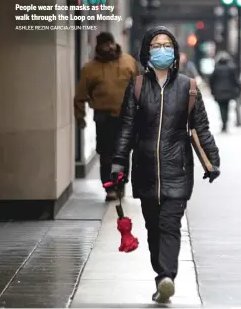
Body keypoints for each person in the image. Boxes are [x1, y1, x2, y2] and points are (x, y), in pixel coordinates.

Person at [111, 25, 220, 303]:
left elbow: (202, 128)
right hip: (145, 170)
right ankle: (162, 278)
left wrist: (212, 161)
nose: (162, 50)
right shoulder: (136, 86)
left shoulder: (188, 87)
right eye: (156, 45)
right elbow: (126, 129)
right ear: (147, 50)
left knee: (170, 224)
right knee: (153, 227)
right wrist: (118, 162)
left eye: (167, 45)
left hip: (178, 169)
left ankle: (168, 275)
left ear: (175, 51)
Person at [74, 32, 139, 201]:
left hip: (126, 116)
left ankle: (121, 185)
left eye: (110, 43)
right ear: (98, 47)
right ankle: (110, 188)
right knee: (106, 154)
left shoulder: (128, 62)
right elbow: (80, 94)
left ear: (114, 43)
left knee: (123, 153)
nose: (108, 47)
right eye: (104, 44)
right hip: (103, 117)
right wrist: (79, 116)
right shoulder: (90, 68)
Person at [209, 51, 241, 132]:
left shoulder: (216, 69)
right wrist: (238, 89)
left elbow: (211, 81)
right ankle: (225, 123)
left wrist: (212, 91)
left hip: (218, 92)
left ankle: (223, 122)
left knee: (221, 108)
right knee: (227, 108)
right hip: (228, 92)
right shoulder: (231, 69)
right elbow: (235, 81)